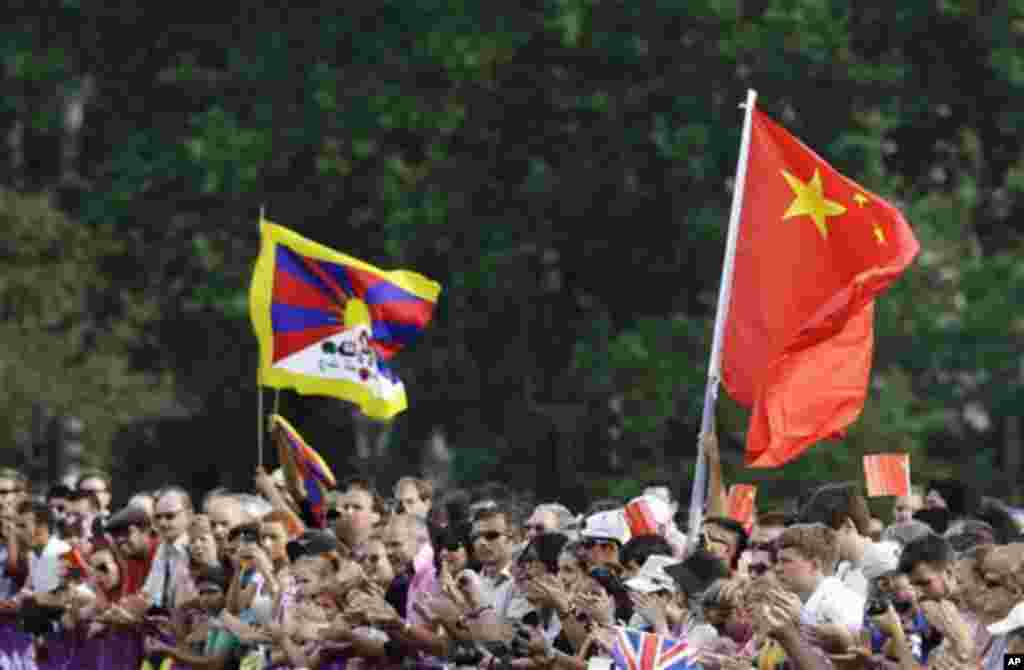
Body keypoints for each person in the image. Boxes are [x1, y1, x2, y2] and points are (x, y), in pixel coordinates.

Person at [774, 522, 864, 651]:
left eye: (786, 561)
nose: (777, 568)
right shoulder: (798, 602)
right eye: (778, 561)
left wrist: (803, 617)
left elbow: (852, 654)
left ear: (815, 565)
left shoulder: (844, 600)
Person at [142, 486, 193, 610]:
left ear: (189, 515)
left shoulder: (195, 548)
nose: (162, 523)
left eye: (170, 516)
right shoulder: (163, 548)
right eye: (157, 517)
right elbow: (150, 595)